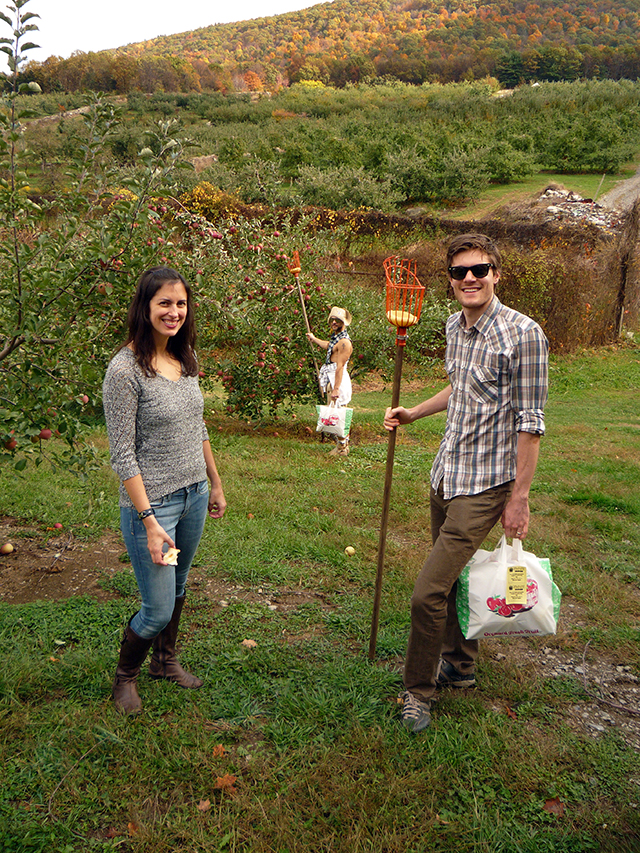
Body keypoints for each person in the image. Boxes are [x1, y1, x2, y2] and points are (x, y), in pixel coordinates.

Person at [383, 233, 548, 733]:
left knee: (427, 593)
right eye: (460, 272)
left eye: (480, 270)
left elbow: (531, 420)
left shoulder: (524, 334)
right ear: (450, 280)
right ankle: (460, 663)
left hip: (486, 486)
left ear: (496, 273)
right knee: (452, 579)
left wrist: (518, 498)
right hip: (447, 473)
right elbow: (461, 386)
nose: (470, 279)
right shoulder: (455, 326)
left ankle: (417, 692)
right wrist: (414, 412)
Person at [103, 266, 227, 716]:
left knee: (177, 586)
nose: (174, 312)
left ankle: (165, 661)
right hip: (154, 508)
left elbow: (199, 427)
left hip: (193, 495)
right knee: (155, 608)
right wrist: (151, 523)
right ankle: (125, 678)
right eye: (164, 303)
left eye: (181, 303)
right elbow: (123, 456)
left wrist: (213, 483)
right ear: (145, 307)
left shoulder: (185, 356)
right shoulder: (125, 370)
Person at [307, 306, 353, 456]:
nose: (334, 322)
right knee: (336, 414)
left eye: (337, 320)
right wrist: (314, 339)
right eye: (332, 319)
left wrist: (336, 388)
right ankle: (342, 446)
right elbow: (329, 346)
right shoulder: (336, 339)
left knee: (338, 415)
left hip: (337, 380)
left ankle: (342, 448)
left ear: (343, 322)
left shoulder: (345, 343)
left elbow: (339, 367)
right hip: (332, 378)